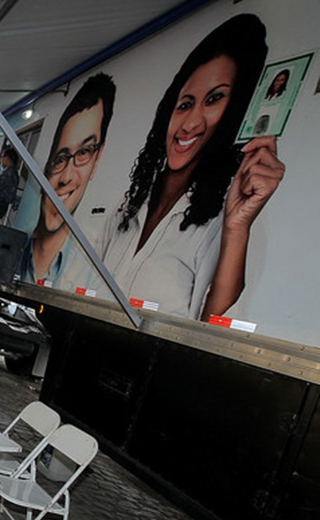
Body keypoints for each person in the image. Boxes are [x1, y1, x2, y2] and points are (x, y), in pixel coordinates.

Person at [98, 14, 284, 320]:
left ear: (233, 111)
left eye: (214, 99)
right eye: (185, 104)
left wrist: (237, 229)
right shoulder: (130, 203)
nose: (192, 123)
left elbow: (214, 326)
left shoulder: (228, 219)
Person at [20, 73, 116, 290]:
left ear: (98, 159)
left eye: (84, 152)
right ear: (46, 167)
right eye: (61, 159)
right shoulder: (17, 248)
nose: (66, 177)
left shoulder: (94, 273)